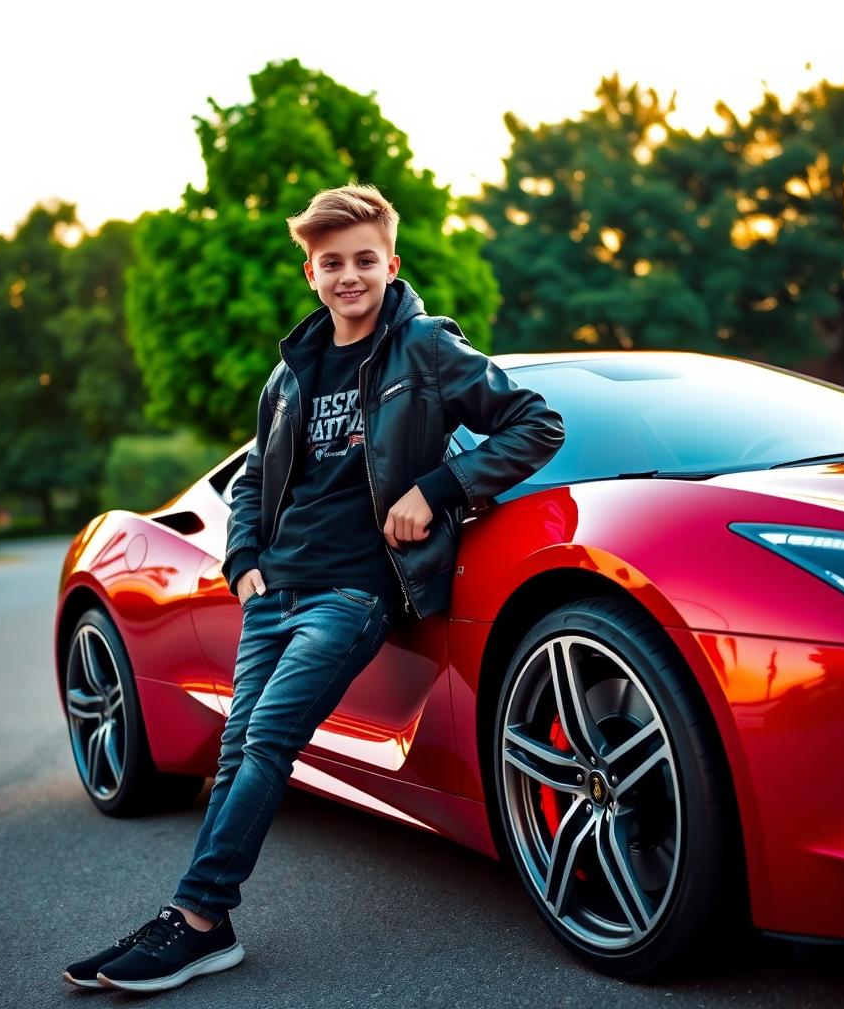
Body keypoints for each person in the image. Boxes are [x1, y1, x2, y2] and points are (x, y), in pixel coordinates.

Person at [64, 182, 565, 992]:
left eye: (365, 259)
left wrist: (437, 488)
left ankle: (191, 919)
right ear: (311, 273)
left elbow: (537, 422)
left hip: (355, 593)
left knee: (266, 741)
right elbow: (258, 476)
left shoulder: (427, 349)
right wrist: (244, 562)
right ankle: (209, 926)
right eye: (331, 262)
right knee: (237, 748)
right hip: (277, 591)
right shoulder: (288, 374)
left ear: (391, 263)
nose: (349, 276)